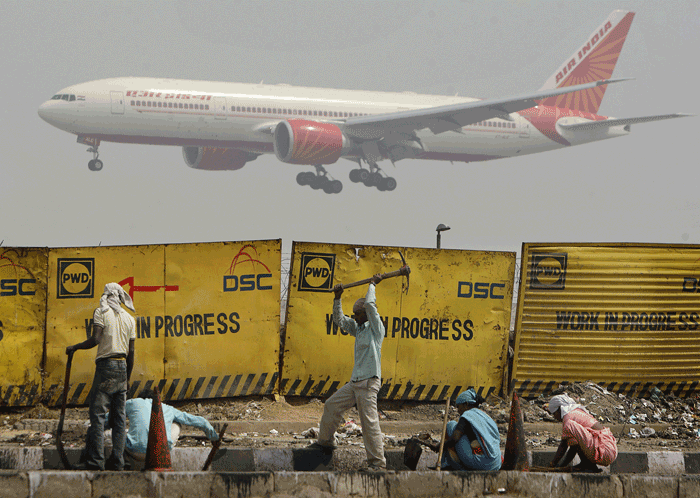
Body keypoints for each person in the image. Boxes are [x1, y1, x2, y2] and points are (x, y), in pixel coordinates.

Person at [308, 274, 386, 471]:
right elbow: (339, 320)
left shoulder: (376, 329)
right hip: (355, 382)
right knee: (331, 406)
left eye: (357, 314)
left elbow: (369, 304)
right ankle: (325, 442)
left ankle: (377, 464)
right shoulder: (357, 328)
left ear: (366, 315)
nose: (354, 317)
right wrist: (337, 297)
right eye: (354, 314)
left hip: (369, 383)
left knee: (369, 424)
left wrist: (372, 284)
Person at [66, 282, 136, 471]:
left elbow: (95, 340)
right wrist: (127, 379)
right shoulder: (130, 319)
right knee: (119, 419)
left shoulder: (101, 312)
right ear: (121, 297)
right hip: (122, 367)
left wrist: (75, 347)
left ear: (107, 295)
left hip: (106, 366)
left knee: (97, 415)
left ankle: (96, 462)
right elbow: (131, 353)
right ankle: (117, 462)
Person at [121, 390, 219, 463]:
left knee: (118, 427)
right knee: (176, 423)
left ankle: (123, 460)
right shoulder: (168, 408)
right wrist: (214, 437)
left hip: (133, 451)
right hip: (159, 453)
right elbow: (200, 421)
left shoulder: (132, 402)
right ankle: (167, 446)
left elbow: (108, 418)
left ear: (141, 398)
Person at [548, 393, 618, 472]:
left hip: (604, 451)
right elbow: (574, 447)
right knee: (574, 436)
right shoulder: (577, 412)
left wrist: (554, 464)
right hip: (611, 450)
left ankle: (587, 465)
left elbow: (565, 446)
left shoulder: (568, 418)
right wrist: (561, 466)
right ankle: (588, 465)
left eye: (554, 414)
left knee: (570, 426)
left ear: (559, 409)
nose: (554, 417)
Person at [439, 388, 501, 471]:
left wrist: (441, 446)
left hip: (483, 464)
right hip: (495, 464)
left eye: (459, 407)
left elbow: (455, 438)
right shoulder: (484, 416)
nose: (458, 410)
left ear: (466, 404)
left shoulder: (467, 415)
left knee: (451, 425)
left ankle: (447, 464)